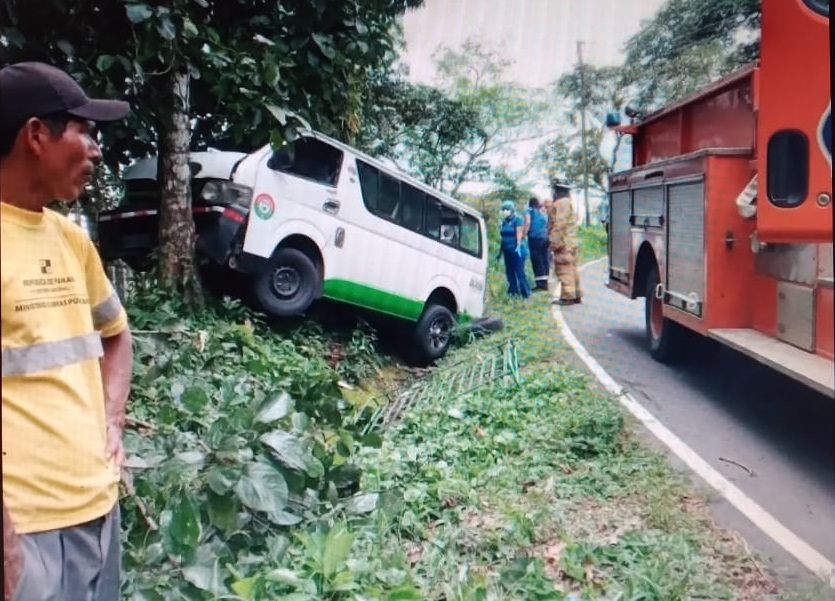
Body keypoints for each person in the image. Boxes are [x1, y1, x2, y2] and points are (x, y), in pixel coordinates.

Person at [1, 62, 134, 601]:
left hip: (98, 513)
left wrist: (112, 419)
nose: (97, 152)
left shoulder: (72, 241)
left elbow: (116, 335)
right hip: (25, 530)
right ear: (36, 135)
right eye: (86, 131)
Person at [546, 177, 582, 305]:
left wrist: (553, 242)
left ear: (556, 190)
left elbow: (559, 224)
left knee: (564, 269)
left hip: (563, 244)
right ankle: (576, 295)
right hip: (571, 243)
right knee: (572, 269)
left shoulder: (560, 203)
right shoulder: (568, 202)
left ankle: (567, 297)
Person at [497, 200, 531, 298]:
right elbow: (502, 238)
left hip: (517, 250)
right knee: (509, 272)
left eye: (507, 209)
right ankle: (513, 292)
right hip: (507, 250)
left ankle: (525, 292)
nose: (504, 211)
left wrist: (518, 246)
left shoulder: (518, 220)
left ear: (511, 210)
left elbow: (519, 233)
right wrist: (500, 253)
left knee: (519, 271)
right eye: (503, 209)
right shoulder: (504, 222)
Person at [526, 197, 550, 291]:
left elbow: (527, 222)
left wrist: (524, 234)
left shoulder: (529, 211)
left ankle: (540, 284)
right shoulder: (543, 213)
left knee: (536, 260)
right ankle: (545, 282)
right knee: (544, 259)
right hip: (545, 238)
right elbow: (548, 225)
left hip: (534, 238)